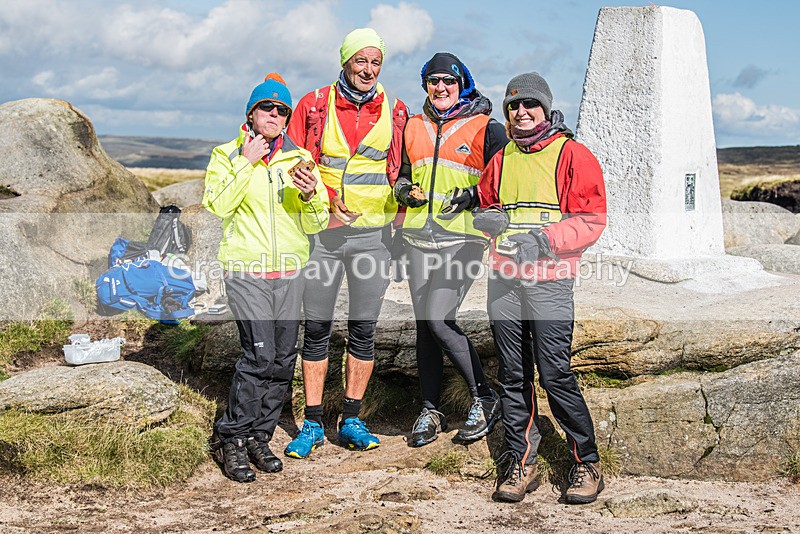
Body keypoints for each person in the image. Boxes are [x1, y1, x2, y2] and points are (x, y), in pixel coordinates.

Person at [453, 72, 607, 503]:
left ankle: (586, 463)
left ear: (545, 108)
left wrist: (545, 241)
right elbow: (489, 206)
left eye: (530, 105)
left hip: (550, 283)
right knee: (515, 375)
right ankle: (521, 463)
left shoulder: (572, 154)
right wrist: (485, 219)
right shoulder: (502, 158)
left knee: (555, 374)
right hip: (504, 281)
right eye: (514, 107)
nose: (521, 113)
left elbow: (592, 219)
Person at [284, 28, 409, 458]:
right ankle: (313, 423)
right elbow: (293, 162)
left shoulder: (398, 111)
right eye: (361, 60)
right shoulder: (313, 104)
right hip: (322, 237)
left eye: (375, 62)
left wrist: (403, 230)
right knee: (315, 328)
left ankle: (352, 418)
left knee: (363, 329)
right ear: (345, 61)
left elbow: (405, 173)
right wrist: (326, 201)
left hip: (374, 240)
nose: (368, 69)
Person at [202, 73, 329, 482]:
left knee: (281, 360)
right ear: (251, 113)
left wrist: (310, 196)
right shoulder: (226, 155)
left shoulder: (300, 160)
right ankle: (232, 438)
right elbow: (218, 205)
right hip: (246, 272)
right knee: (258, 356)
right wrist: (246, 161)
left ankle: (260, 435)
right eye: (266, 108)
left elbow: (317, 223)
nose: (274, 114)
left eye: (281, 110)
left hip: (290, 273)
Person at [393, 52, 507, 447]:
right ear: (425, 84)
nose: (440, 88)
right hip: (417, 240)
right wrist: (405, 191)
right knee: (426, 325)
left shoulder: (486, 128)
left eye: (449, 81)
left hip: (464, 240)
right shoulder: (412, 126)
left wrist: (474, 195)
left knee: (439, 319)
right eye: (433, 80)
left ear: (463, 85)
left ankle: (485, 397)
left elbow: (503, 183)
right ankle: (430, 408)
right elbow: (403, 179)